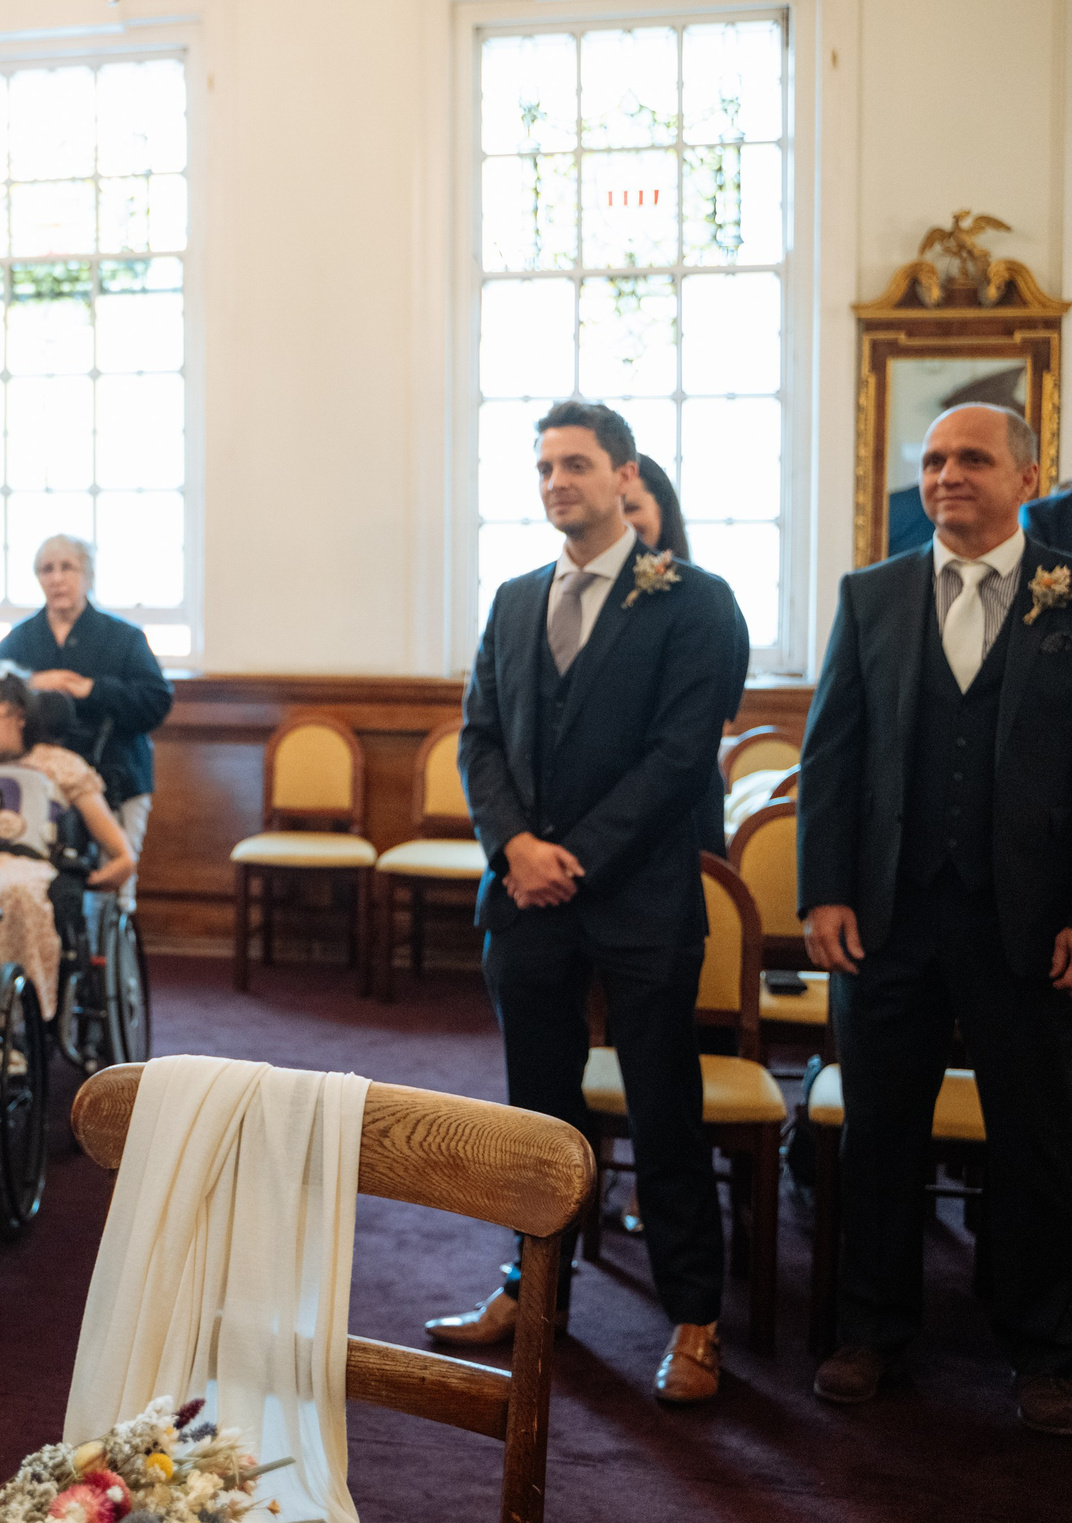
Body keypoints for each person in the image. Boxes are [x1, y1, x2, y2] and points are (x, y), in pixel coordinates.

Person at [437, 399, 744, 1405]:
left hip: (641, 901)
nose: (556, 482)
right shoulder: (515, 598)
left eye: (575, 463)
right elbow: (479, 737)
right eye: (543, 467)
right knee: (536, 1112)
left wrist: (575, 858)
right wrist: (515, 848)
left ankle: (694, 1317)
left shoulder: (695, 601)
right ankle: (534, 1291)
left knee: (663, 1108)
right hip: (525, 899)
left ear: (624, 475)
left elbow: (678, 757)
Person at [798, 403, 1072, 1434]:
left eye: (972, 458)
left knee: (1039, 1139)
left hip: (1027, 920)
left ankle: (1045, 1349)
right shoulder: (871, 594)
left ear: (1027, 476)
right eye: (933, 460)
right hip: (889, 917)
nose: (947, 474)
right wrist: (824, 889)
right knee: (879, 1131)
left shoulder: (1066, 588)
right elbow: (830, 753)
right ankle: (871, 1330)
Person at [0, 534, 173, 909]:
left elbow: (156, 701)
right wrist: (30, 684)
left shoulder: (124, 638)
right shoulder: (19, 641)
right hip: (37, 782)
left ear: (88, 576)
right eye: (47, 569)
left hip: (117, 775)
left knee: (113, 890)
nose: (56, 578)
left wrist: (92, 689)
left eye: (66, 568)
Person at [0, 663, 134, 1017]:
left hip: (34, 866)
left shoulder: (59, 765)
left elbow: (120, 851)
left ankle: (24, 1011)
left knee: (13, 890)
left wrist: (111, 869)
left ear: (19, 717)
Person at [622, 454, 751, 855]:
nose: (620, 522)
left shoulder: (711, 604)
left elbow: (711, 726)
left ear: (663, 510)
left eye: (632, 507)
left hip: (682, 807)